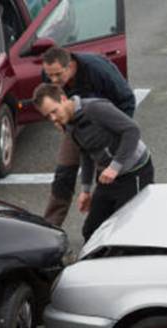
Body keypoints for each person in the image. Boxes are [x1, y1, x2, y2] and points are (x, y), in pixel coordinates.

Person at [33, 83, 153, 241]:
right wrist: (86, 190)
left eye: (54, 111)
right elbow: (86, 152)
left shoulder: (95, 109)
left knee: (125, 230)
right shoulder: (69, 122)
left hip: (134, 172)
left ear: (63, 99)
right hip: (107, 177)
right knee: (91, 230)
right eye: (48, 116)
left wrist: (115, 167)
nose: (53, 118)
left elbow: (132, 130)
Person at [40, 47, 136, 226]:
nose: (53, 81)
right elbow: (49, 100)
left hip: (105, 125)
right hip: (74, 126)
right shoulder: (49, 74)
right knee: (63, 175)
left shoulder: (97, 69)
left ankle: (116, 226)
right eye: (49, 75)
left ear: (70, 66)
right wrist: (61, 123)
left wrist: (116, 136)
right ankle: (51, 228)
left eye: (57, 75)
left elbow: (127, 100)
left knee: (110, 177)